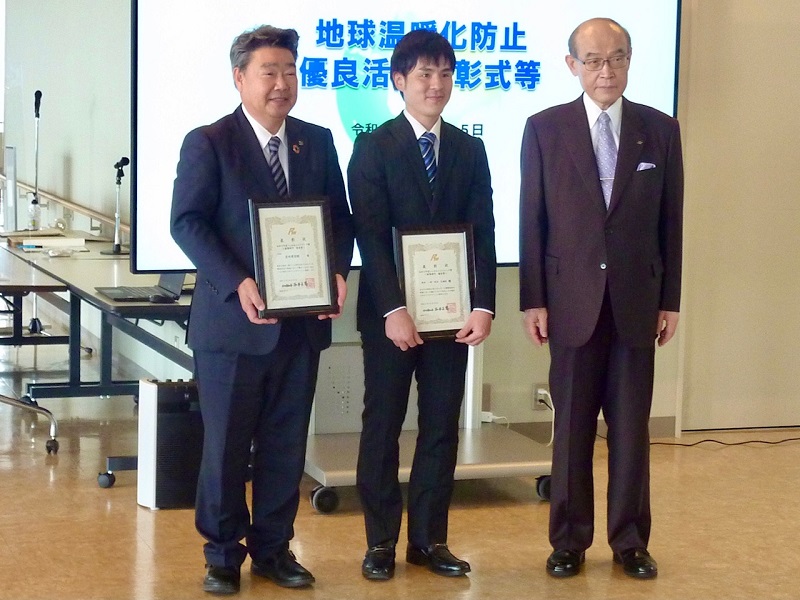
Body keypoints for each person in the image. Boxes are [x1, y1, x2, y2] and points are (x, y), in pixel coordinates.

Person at [170, 25, 354, 595]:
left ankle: (273, 549)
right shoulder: (210, 141)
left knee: (285, 444)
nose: (281, 84)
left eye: (290, 72)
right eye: (269, 72)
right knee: (226, 448)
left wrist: (338, 272)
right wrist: (238, 281)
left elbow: (339, 219)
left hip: (301, 326)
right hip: (232, 327)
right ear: (240, 78)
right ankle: (222, 554)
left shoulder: (316, 141)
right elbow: (187, 223)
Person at [519, 18, 683, 580]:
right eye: (592, 60)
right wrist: (533, 299)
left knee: (632, 429)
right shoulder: (545, 128)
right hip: (570, 302)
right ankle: (568, 540)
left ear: (630, 60)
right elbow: (532, 220)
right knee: (571, 430)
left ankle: (630, 541)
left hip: (638, 301)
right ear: (573, 66)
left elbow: (671, 221)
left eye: (616, 58)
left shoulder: (660, 130)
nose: (605, 70)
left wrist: (671, 298)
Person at [348, 29, 496, 581]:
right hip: (391, 318)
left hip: (452, 318)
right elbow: (369, 234)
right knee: (382, 425)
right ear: (399, 81)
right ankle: (381, 541)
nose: (436, 85)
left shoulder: (469, 149)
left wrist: (483, 304)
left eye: (445, 74)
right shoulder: (373, 147)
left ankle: (430, 540)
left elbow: (483, 232)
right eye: (424, 74)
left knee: (440, 426)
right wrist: (393, 309)